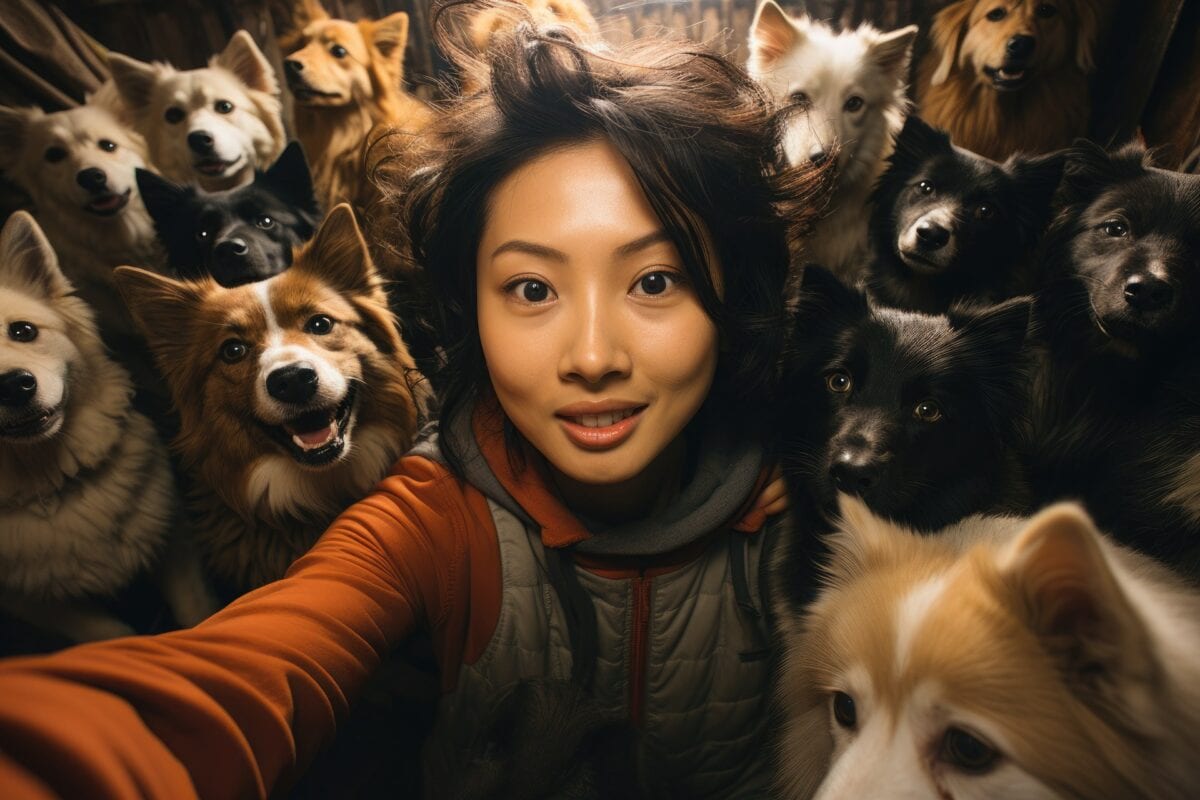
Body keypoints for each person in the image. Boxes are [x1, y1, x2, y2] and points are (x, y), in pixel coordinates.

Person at [0, 4, 823, 797]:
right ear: (469, 313)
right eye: (532, 289)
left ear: (732, 301)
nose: (594, 358)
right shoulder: (434, 513)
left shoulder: (817, 495)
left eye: (654, 280)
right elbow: (245, 672)